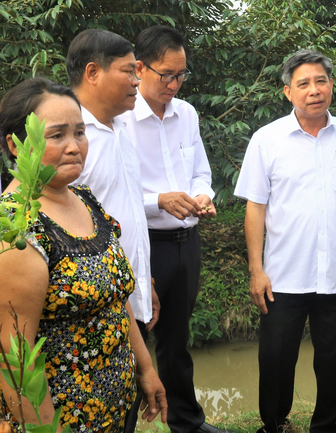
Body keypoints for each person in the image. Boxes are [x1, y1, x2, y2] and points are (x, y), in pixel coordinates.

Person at [0, 77, 167, 432]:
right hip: (61, 420)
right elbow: (14, 359)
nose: (75, 146)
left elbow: (114, 296)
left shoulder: (84, 198)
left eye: (80, 132)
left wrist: (145, 367)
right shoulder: (17, 230)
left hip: (115, 406)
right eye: (57, 135)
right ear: (15, 145)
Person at [234, 49, 336, 433]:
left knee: (335, 360)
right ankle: (273, 424)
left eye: (321, 81)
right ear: (288, 92)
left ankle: (327, 425)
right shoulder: (267, 140)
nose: (314, 90)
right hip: (283, 276)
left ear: (331, 85)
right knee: (276, 358)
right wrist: (256, 269)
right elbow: (256, 209)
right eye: (303, 83)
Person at [118, 25, 221, 433]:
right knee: (132, 340)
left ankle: (187, 421)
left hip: (186, 242)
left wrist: (202, 196)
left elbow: (200, 171)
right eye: (166, 75)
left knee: (177, 340)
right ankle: (123, 423)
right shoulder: (121, 121)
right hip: (145, 244)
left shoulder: (187, 114)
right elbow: (113, 196)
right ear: (139, 68)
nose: (174, 85)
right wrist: (157, 200)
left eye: (181, 75)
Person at [65, 29, 160, 433]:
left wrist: (144, 279)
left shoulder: (121, 130)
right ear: (93, 72)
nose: (138, 80)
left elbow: (128, 215)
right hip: (93, 312)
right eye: (128, 71)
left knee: (127, 410)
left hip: (127, 294)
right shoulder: (70, 144)